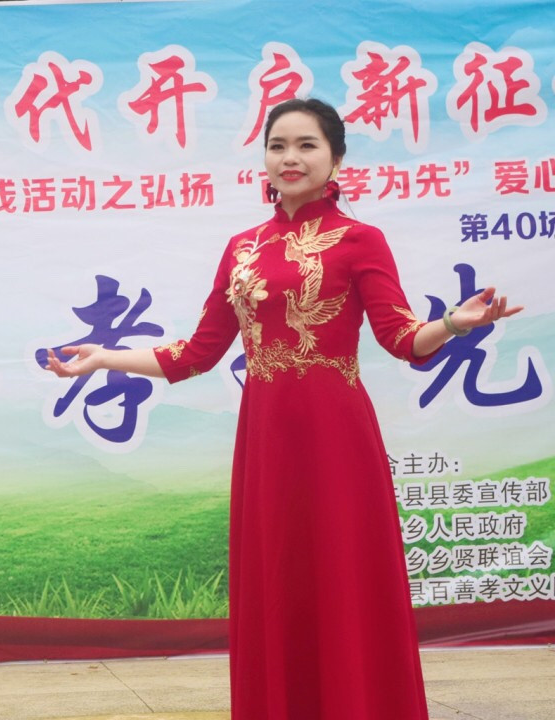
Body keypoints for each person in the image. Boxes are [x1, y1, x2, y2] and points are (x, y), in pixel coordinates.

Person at [45, 98, 522, 719]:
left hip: (337, 438)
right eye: (278, 146)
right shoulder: (242, 249)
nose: (290, 158)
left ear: (336, 159)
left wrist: (455, 323)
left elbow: (403, 338)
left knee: (342, 575)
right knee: (279, 580)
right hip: (268, 440)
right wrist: (104, 357)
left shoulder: (360, 240)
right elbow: (196, 353)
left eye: (306, 145)